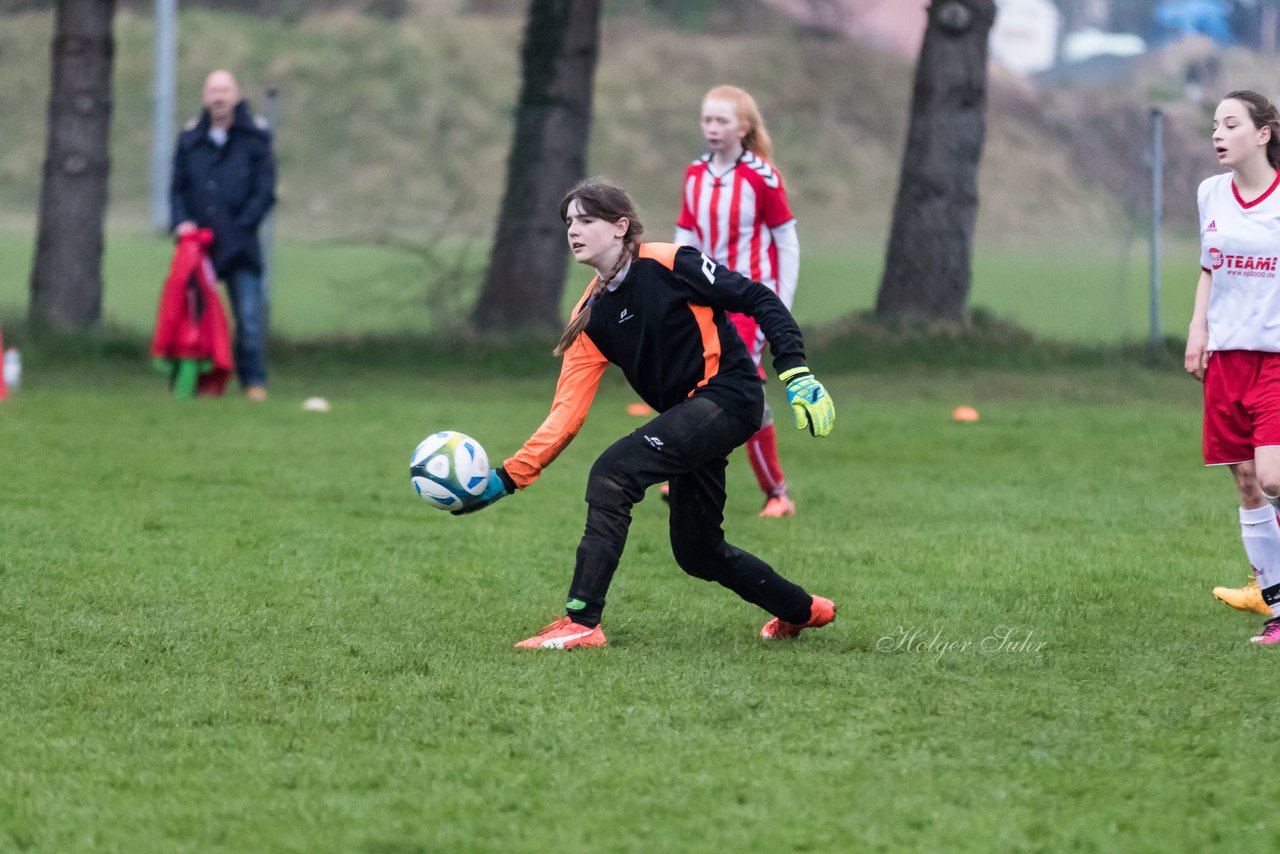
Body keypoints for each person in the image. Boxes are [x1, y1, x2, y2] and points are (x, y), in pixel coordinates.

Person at [459, 178, 837, 650]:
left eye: (585, 220)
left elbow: (757, 297)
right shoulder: (589, 317)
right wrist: (507, 478)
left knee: (614, 472)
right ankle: (803, 611)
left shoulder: (669, 261)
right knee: (698, 552)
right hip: (692, 416)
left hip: (730, 395)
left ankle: (582, 621)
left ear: (620, 227)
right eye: (568, 222)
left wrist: (795, 369)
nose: (573, 231)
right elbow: (565, 416)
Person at [674, 85, 802, 518]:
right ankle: (690, 474)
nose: (712, 128)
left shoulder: (761, 176)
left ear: (743, 128)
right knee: (695, 383)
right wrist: (676, 285)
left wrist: (777, 304)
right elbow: (686, 238)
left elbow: (786, 240)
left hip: (749, 304)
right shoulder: (695, 174)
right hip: (705, 301)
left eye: (721, 121)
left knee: (741, 391)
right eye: (706, 119)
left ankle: (777, 493)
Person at [1185, 89, 1280, 644]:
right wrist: (1199, 329)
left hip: (1275, 358)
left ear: (1263, 134)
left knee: (1272, 476)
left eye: (1230, 124)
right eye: (1213, 125)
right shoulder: (1211, 193)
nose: (1217, 134)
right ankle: (1276, 609)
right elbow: (1209, 268)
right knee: (1247, 483)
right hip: (1227, 358)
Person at [170, 69, 277, 401]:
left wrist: (243, 225)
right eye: (213, 91)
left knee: (248, 318)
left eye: (225, 91)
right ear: (205, 98)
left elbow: (265, 191)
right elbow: (178, 190)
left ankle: (253, 382)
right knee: (194, 319)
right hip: (199, 249)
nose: (219, 98)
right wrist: (182, 222)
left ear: (236, 96)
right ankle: (199, 383)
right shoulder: (190, 140)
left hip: (241, 245)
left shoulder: (256, 138)